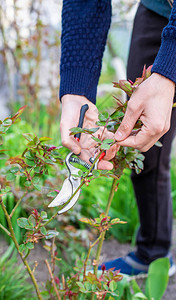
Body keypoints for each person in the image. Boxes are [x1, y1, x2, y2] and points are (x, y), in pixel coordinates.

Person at [59, 0, 176, 276]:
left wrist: (170, 69)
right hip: (158, 9)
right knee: (144, 138)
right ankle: (153, 253)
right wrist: (77, 88)